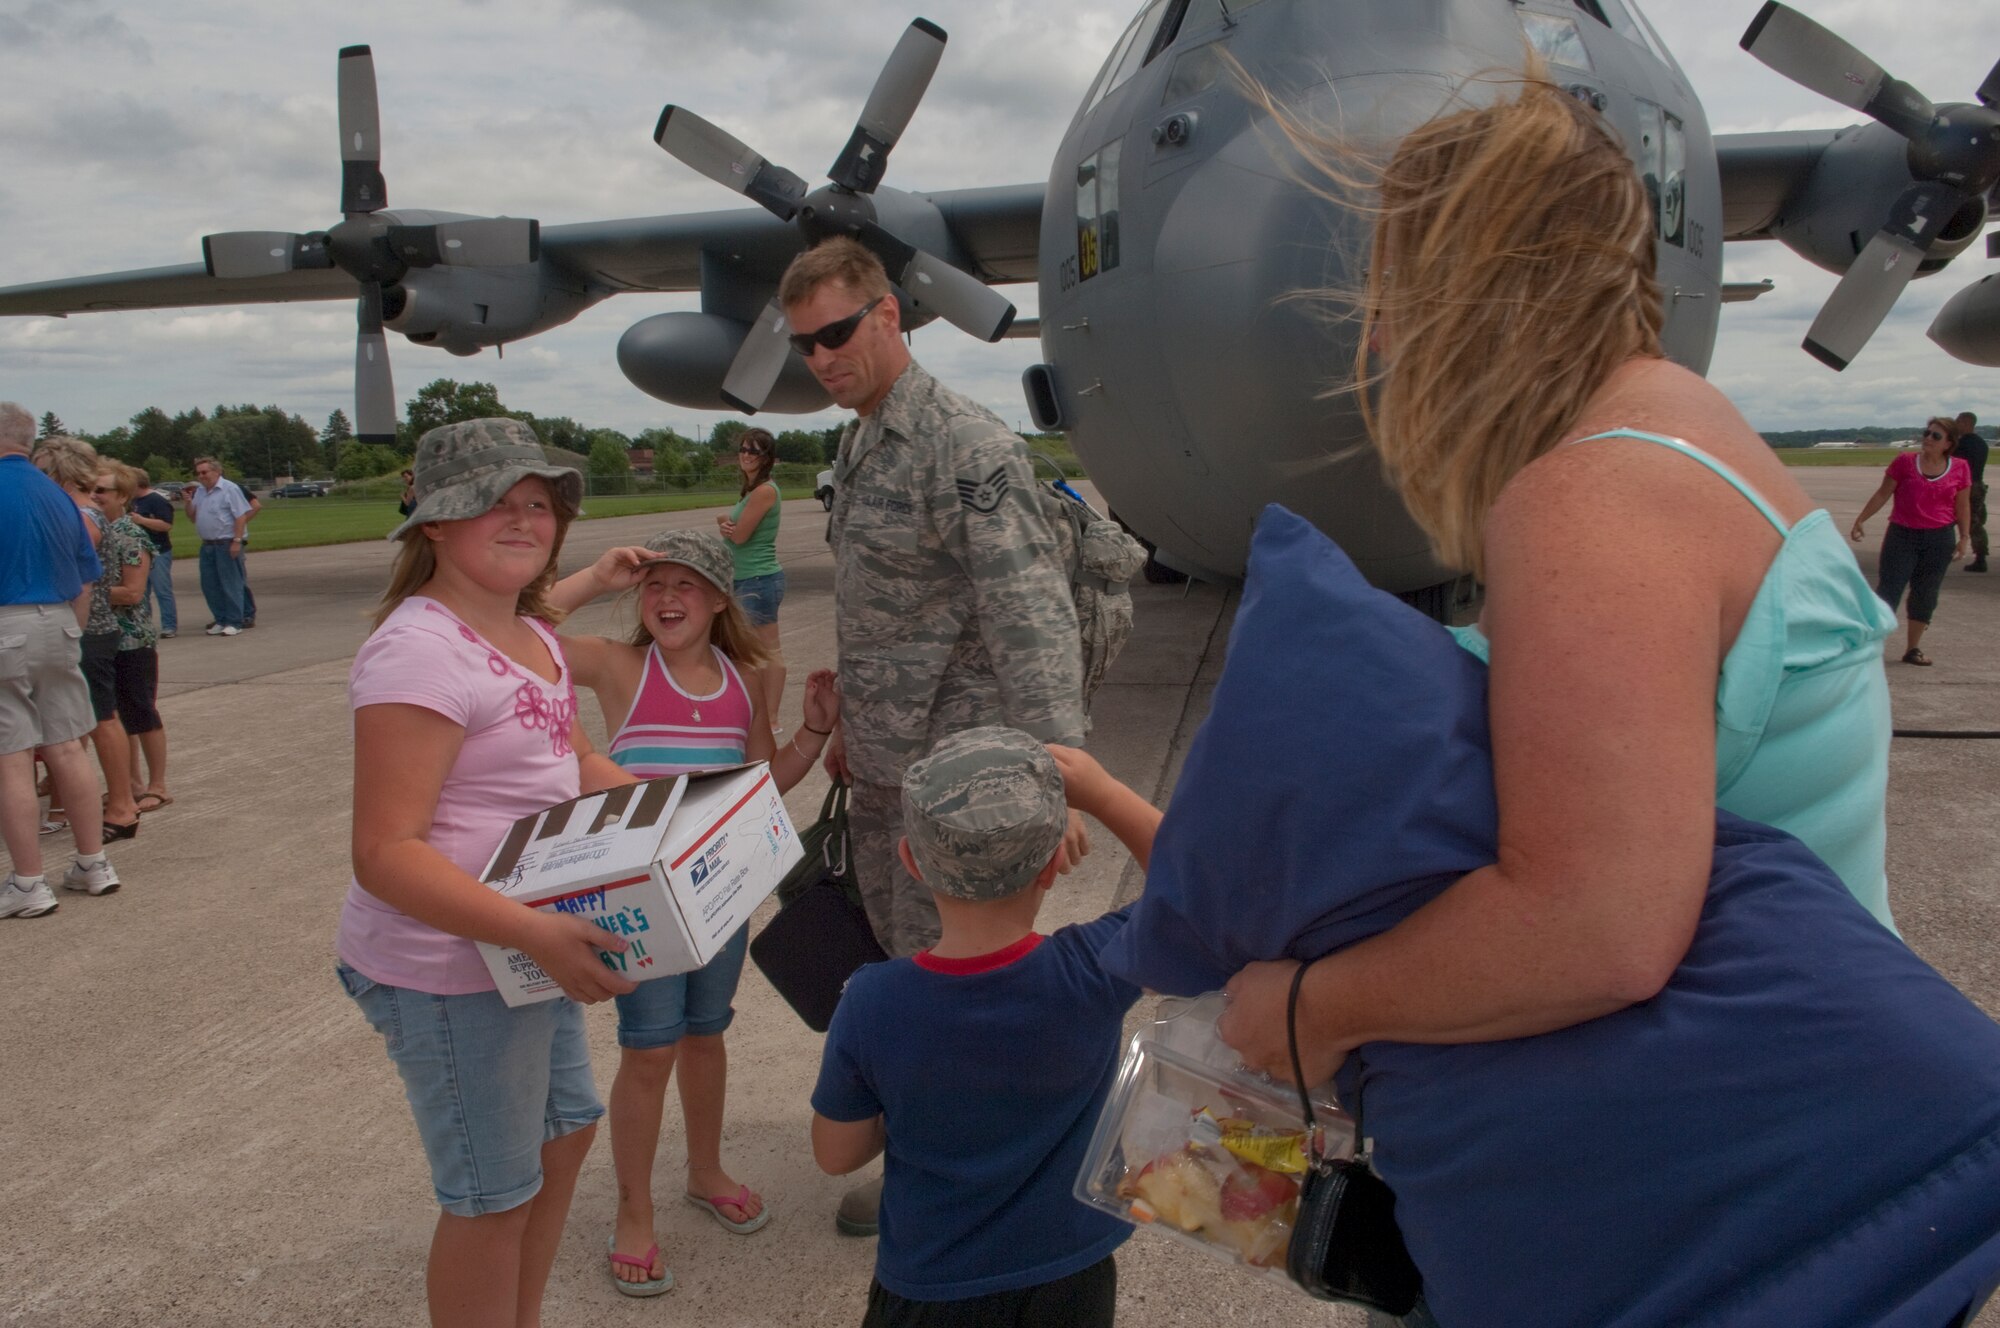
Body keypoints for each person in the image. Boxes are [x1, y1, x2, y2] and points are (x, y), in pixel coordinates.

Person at [1205, 70, 1904, 1319]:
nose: (1374, 339)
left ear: (1471, 287)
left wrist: (1308, 1006)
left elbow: (1596, 925)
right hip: (1786, 1145)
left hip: (1699, 1201)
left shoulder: (1592, 499)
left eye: (1391, 291)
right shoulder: (1689, 432)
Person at [779, 236, 1091, 1236]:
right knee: (905, 982)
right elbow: (891, 606)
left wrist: (1058, 784)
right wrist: (850, 730)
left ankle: (986, 1181)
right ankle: (929, 1155)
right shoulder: (862, 438)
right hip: (882, 772)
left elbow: (1031, 619)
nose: (820, 358)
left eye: (834, 333)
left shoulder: (964, 445)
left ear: (887, 318)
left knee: (964, 993)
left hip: (960, 790)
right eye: (803, 345)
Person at [339, 417, 638, 1328]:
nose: (523, 520)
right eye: (493, 504)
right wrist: (534, 933)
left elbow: (571, 758)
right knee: (492, 1194)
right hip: (453, 965)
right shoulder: (418, 650)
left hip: (518, 949)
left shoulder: (531, 634)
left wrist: (679, 821)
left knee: (565, 1134)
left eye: (538, 504)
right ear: (433, 523)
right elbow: (385, 851)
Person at [545, 528, 841, 1296]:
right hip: (641, 904)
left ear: (717, 598)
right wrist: (593, 580)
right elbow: (513, 637)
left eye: (686, 584)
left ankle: (705, 1171)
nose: (667, 598)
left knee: (706, 1037)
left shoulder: (749, 680)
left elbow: (759, 787)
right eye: (654, 586)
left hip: (719, 896)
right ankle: (633, 1212)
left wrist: (812, 731)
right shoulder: (620, 667)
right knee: (649, 1050)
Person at [809, 727, 1161, 1328]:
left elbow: (836, 1153)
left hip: (930, 1283)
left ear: (912, 862)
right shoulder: (1093, 971)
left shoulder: (874, 1000)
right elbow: (1201, 886)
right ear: (1055, 865)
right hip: (1069, 1278)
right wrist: (1103, 795)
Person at [0, 403, 118, 918]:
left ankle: (28, 882)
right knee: (67, 745)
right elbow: (85, 579)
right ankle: (92, 862)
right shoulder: (58, 495)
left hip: (7, 621)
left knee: (12, 754)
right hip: (60, 620)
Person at [34, 436, 142, 841]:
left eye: (43, 469)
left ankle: (121, 805)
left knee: (101, 719)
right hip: (90, 627)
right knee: (90, 720)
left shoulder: (83, 515)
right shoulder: (85, 512)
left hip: (88, 629)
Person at [1852, 416, 1971, 666]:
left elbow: (1962, 505)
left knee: (1926, 593)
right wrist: (1862, 519)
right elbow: (1883, 493)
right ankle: (1871, 647)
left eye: (1936, 435)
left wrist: (1964, 537)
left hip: (1939, 539)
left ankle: (1912, 649)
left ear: (1948, 443)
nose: (1928, 438)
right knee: (1889, 590)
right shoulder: (1905, 462)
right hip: (1902, 535)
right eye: (1927, 433)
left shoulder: (1960, 467)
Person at [93, 462, 170, 814]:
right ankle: (131, 783)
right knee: (116, 715)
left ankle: (158, 785)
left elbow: (133, 592)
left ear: (122, 497)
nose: (94, 496)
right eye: (90, 489)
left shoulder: (131, 535)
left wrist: (86, 592)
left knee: (140, 711)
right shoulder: (98, 532)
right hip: (104, 636)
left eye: (101, 491)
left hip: (132, 639)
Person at [716, 427, 786, 728]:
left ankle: (771, 718)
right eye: (743, 449)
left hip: (758, 579)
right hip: (747, 579)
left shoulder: (765, 491)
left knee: (768, 652)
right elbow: (731, 525)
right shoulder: (752, 490)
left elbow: (740, 535)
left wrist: (729, 523)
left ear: (766, 457)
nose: (746, 455)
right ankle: (761, 714)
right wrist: (725, 522)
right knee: (751, 651)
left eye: (753, 451)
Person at [183, 456, 251, 635]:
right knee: (210, 584)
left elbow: (241, 516)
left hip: (226, 542)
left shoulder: (230, 489)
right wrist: (188, 502)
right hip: (208, 544)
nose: (201, 476)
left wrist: (237, 541)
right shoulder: (200, 492)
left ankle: (235, 621)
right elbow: (192, 517)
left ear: (217, 471)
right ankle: (220, 619)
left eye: (205, 472)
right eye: (198, 473)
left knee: (230, 583)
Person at [126, 467, 178, 638]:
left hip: (158, 551)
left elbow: (166, 525)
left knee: (162, 590)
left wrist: (142, 520)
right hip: (138, 551)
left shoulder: (156, 500)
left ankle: (169, 625)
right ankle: (144, 624)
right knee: (141, 592)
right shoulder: (132, 501)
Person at [1955, 410, 1988, 571]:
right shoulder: (1981, 443)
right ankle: (1980, 557)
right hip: (1978, 485)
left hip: (1964, 487)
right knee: (1976, 522)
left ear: (1967, 423)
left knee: (1951, 520)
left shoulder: (1961, 444)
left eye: (1959, 421)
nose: (1956, 424)